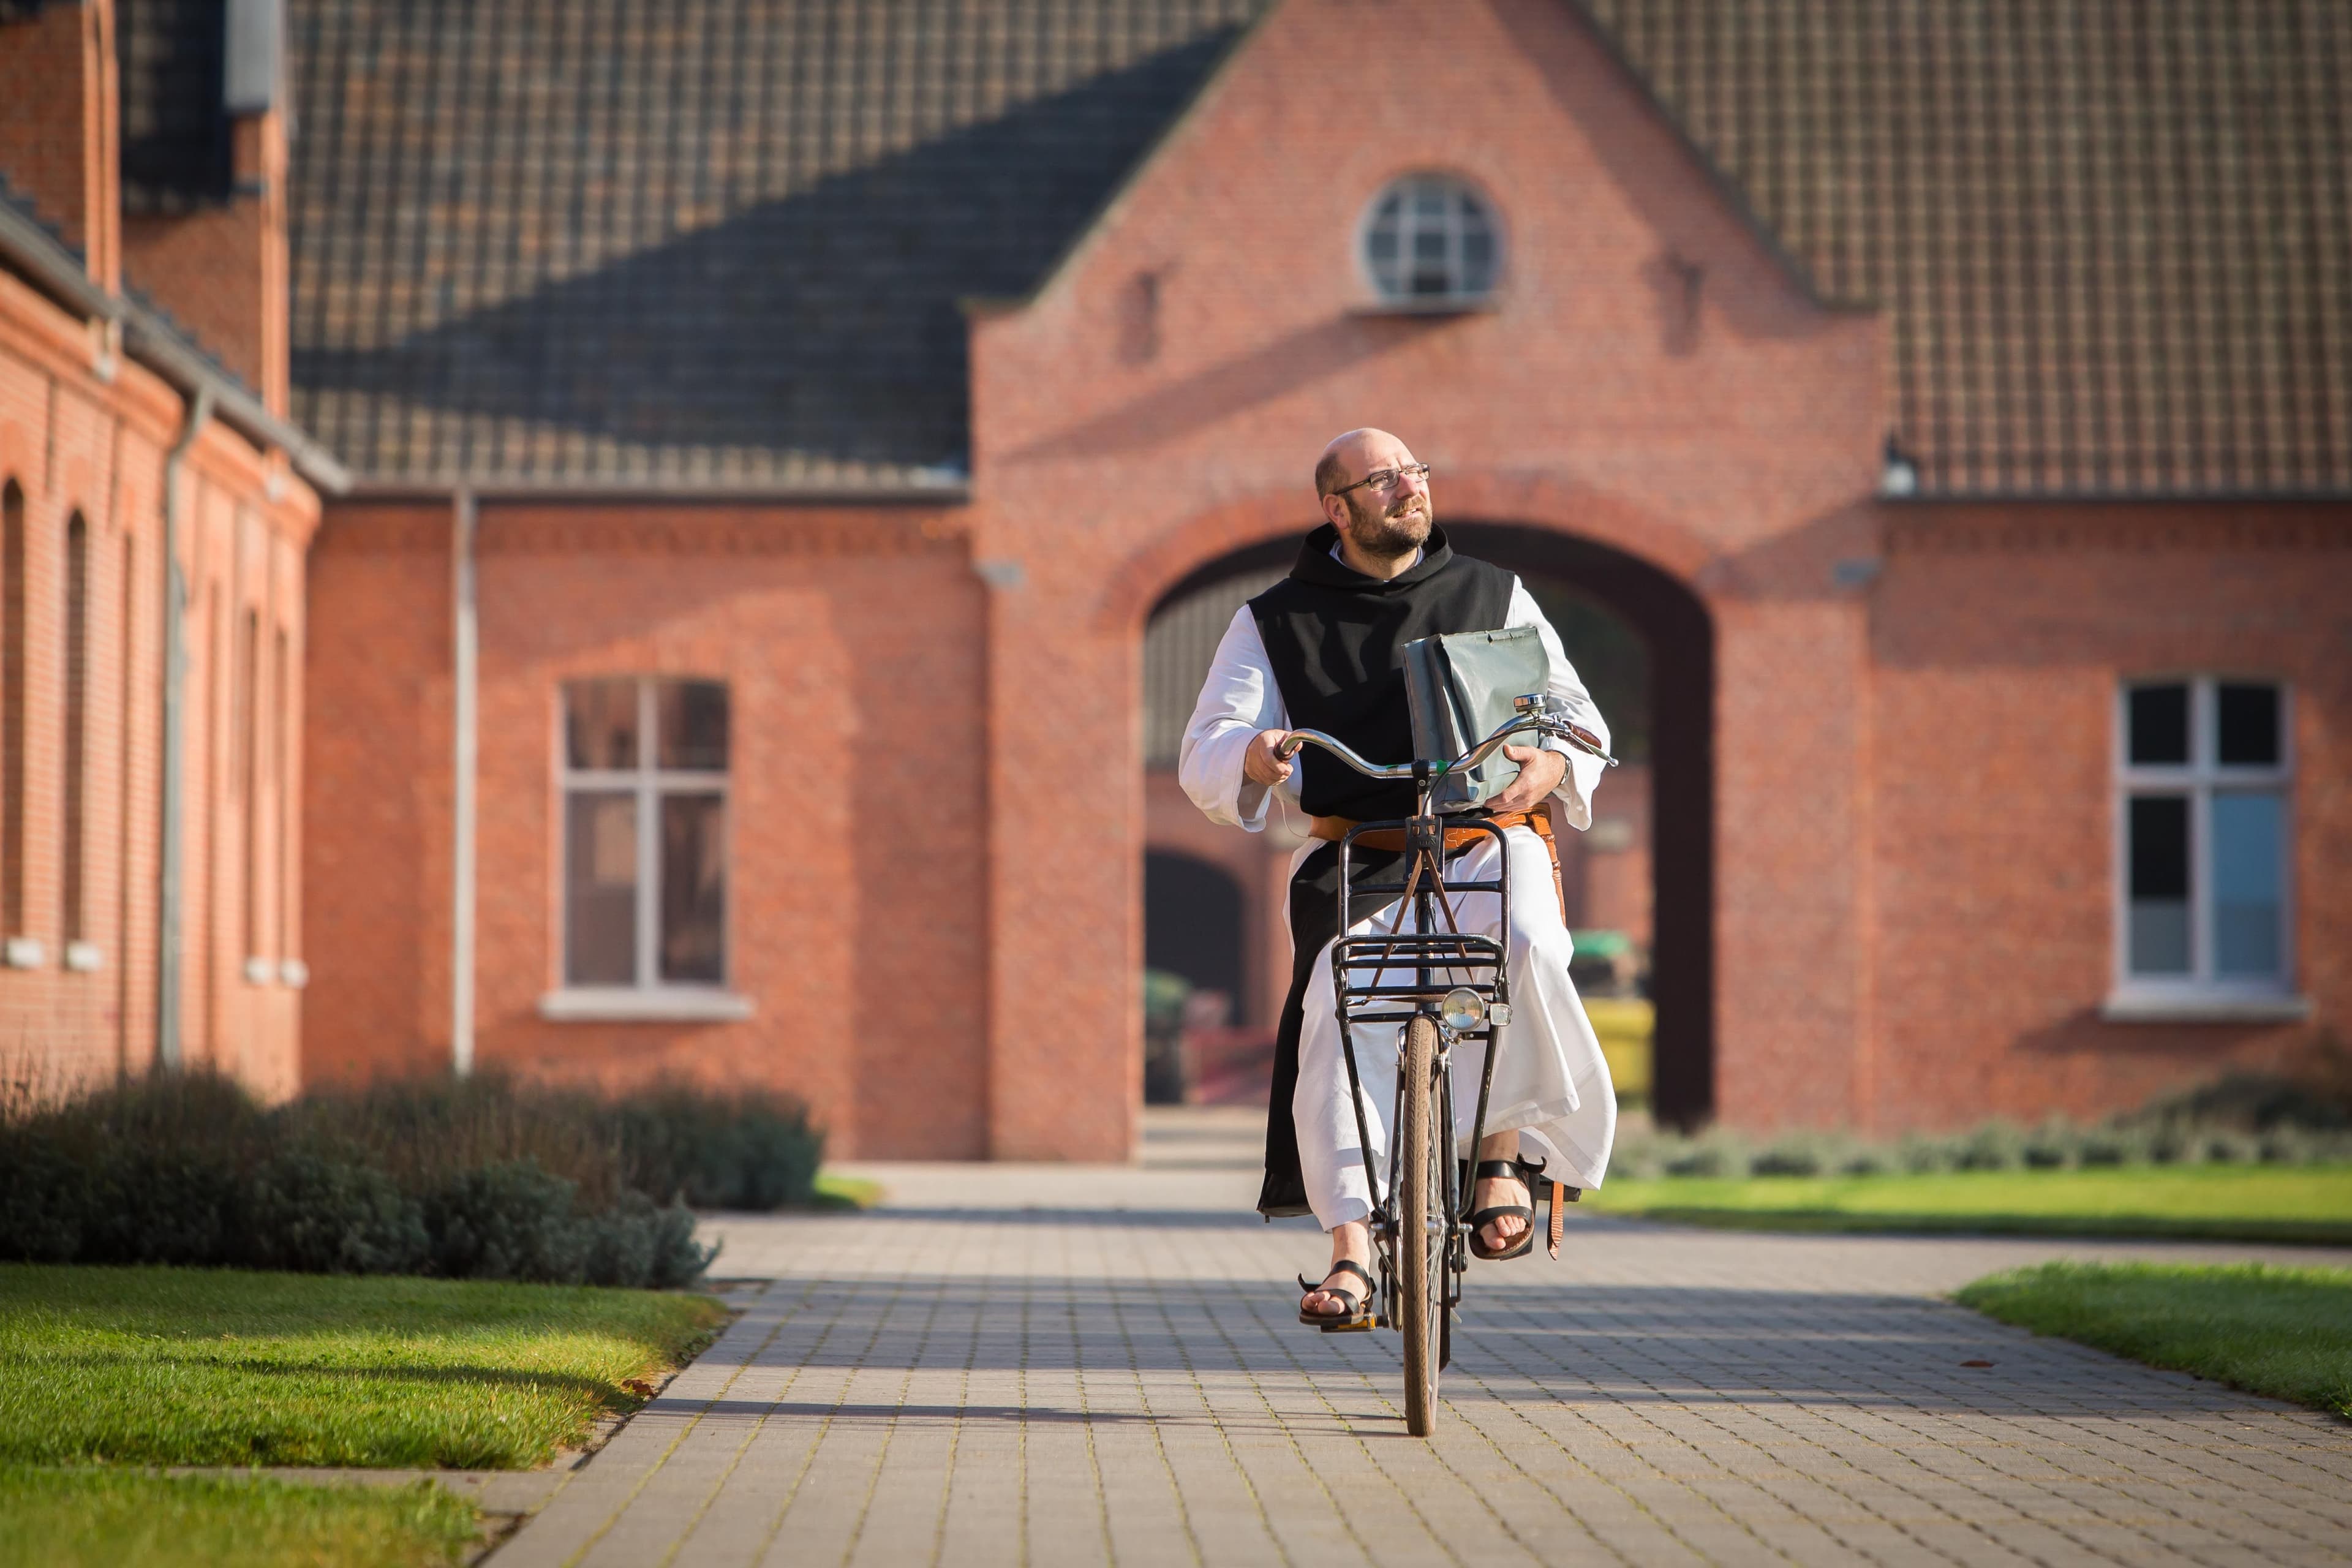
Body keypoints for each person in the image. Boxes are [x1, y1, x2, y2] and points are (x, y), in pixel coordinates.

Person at [1177, 429, 1618, 1325]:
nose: (1409, 488)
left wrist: (1552, 760)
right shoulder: (1272, 619)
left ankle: (1500, 1159)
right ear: (1337, 508)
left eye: (1414, 472)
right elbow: (1207, 745)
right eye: (1382, 479)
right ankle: (1351, 1250)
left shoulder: (1494, 592)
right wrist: (1253, 754)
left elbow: (1574, 713)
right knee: (1335, 1010)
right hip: (1359, 847)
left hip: (1487, 836)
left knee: (1528, 944)